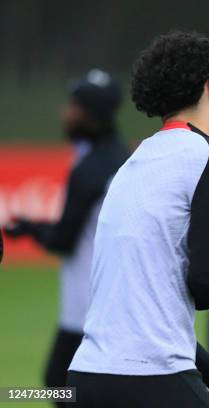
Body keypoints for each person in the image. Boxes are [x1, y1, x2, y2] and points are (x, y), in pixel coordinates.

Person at [66, 31, 209, 408]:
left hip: (85, 379)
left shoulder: (131, 165)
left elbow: (149, 312)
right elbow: (205, 285)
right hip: (152, 379)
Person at [4, 68, 129, 407]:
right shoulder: (122, 158)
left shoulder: (88, 168)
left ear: (89, 114)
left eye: (74, 106)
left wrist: (29, 230)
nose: (65, 112)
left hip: (84, 306)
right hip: (115, 300)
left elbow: (63, 239)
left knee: (59, 383)